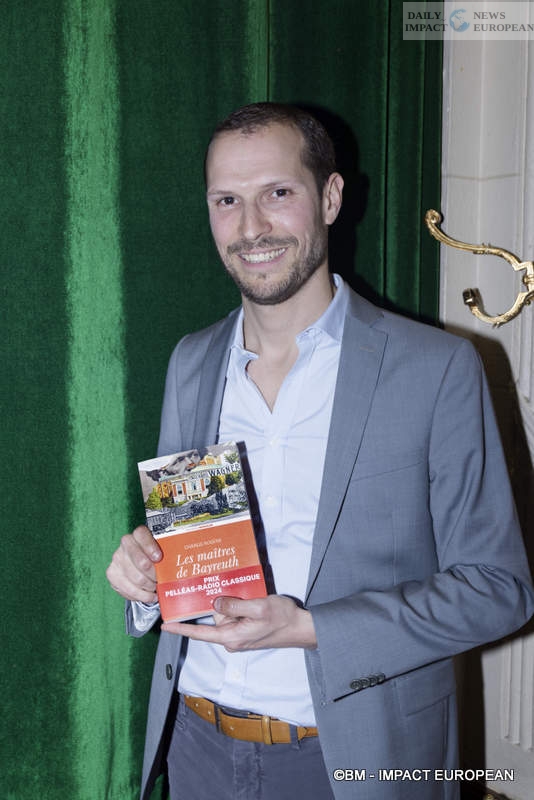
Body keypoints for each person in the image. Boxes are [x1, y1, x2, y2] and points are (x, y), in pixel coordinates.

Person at [106, 102, 534, 800]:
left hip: (354, 762)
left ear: (330, 198)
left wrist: (312, 628)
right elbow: (187, 548)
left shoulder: (436, 368)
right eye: (227, 200)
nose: (251, 227)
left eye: (278, 192)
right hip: (196, 745)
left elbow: (497, 590)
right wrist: (146, 577)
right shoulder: (191, 362)